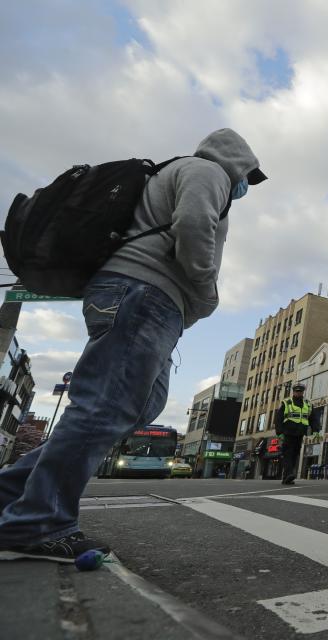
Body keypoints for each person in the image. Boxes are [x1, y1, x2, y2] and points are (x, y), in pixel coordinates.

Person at [0, 129, 265, 562]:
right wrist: (206, 292)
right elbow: (195, 228)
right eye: (247, 178)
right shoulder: (208, 171)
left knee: (136, 408)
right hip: (144, 294)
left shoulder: (181, 173)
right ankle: (39, 521)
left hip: (146, 300)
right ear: (239, 162)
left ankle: (11, 493)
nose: (245, 188)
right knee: (103, 409)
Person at [276, 383, 311, 485]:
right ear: (293, 392)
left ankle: (287, 477)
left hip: (299, 434)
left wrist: (316, 429)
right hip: (288, 433)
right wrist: (279, 433)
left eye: (300, 391)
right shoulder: (287, 403)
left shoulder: (307, 404)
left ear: (303, 392)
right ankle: (289, 474)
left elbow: (312, 417)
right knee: (288, 454)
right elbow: (278, 418)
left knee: (295, 454)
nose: (298, 393)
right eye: (296, 391)